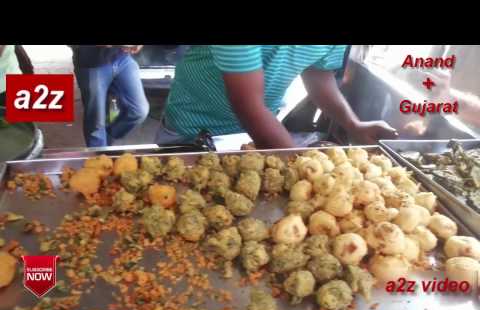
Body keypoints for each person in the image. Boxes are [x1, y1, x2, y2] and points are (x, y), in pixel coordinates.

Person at [156, 45, 398, 149]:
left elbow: (318, 72)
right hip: (192, 131)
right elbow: (248, 104)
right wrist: (299, 164)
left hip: (256, 137)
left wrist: (353, 124)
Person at [72, 45, 150, 147]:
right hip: (92, 64)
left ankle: (106, 138)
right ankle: (99, 155)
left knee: (139, 111)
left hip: (122, 58)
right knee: (96, 123)